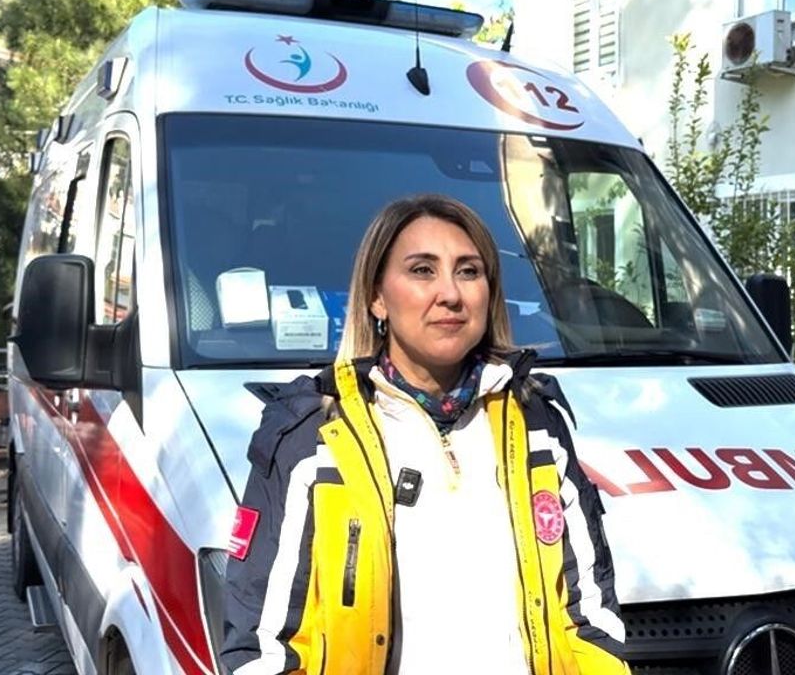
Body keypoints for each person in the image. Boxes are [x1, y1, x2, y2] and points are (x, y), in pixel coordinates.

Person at [219, 195, 628, 674]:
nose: (450, 293)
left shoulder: (537, 423)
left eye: (469, 271)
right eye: (422, 270)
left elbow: (589, 618)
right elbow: (263, 649)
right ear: (377, 296)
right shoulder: (313, 435)